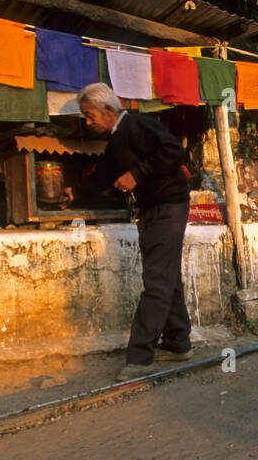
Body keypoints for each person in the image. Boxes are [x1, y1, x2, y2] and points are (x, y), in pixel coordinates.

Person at [62, 83, 193, 381]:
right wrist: (76, 194)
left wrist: (138, 174)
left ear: (109, 111)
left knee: (157, 282)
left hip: (169, 206)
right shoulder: (117, 140)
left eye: (90, 115)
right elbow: (103, 176)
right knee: (166, 278)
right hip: (153, 209)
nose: (88, 121)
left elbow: (174, 151)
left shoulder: (137, 124)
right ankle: (178, 342)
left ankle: (140, 358)